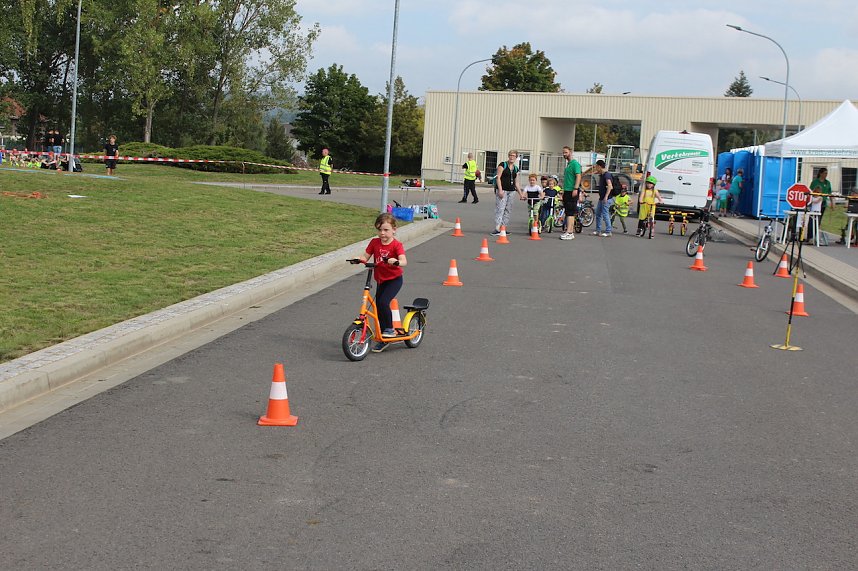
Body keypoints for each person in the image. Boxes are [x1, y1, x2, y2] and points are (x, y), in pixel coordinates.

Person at [354, 212, 408, 353]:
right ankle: (384, 336)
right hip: (380, 279)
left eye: (386, 230)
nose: (382, 233)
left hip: (394, 279)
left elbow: (404, 261)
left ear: (394, 230)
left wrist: (396, 262)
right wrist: (359, 259)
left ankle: (389, 329)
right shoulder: (374, 242)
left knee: (383, 302)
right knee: (378, 305)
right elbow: (366, 256)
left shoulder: (396, 245)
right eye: (379, 230)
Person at [491, 150, 524, 235]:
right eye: (510, 155)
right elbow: (498, 178)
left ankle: (503, 227)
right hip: (503, 190)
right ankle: (497, 228)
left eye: (513, 156)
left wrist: (521, 194)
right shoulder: (503, 165)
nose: (511, 157)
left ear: (516, 157)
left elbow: (516, 182)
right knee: (500, 208)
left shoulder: (516, 168)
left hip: (511, 191)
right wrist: (500, 190)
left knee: (508, 209)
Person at [560, 145, 582, 240]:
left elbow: (578, 176)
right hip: (567, 190)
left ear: (570, 152)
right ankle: (569, 231)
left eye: (566, 152)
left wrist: (575, 188)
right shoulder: (568, 165)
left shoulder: (575, 164)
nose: (564, 154)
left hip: (572, 190)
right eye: (563, 152)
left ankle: (569, 232)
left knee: (570, 212)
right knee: (568, 211)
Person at [592, 159, 614, 237]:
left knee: (605, 214)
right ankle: (598, 230)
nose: (595, 168)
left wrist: (606, 196)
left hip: (606, 198)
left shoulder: (607, 175)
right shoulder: (602, 174)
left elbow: (610, 186)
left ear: (599, 166)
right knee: (598, 213)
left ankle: (608, 231)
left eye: (596, 167)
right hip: (601, 198)